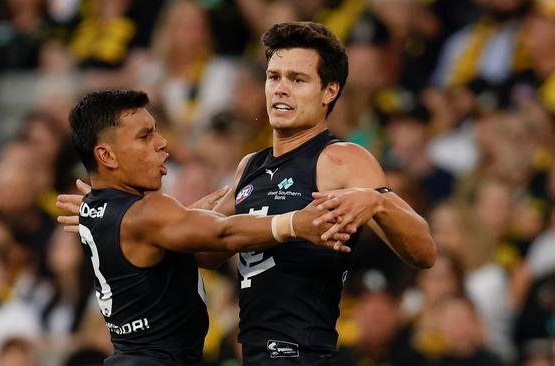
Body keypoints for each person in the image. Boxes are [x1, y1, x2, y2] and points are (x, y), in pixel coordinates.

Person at [59, 22, 436, 365]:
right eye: (274, 76)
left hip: (305, 356)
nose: (281, 88)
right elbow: (207, 247)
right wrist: (114, 218)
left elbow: (424, 252)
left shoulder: (340, 158)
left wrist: (379, 201)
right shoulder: (250, 167)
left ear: (329, 91)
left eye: (298, 79)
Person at [65, 89, 346, 366]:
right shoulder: (145, 212)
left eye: (156, 131)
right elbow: (223, 233)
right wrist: (294, 223)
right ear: (107, 156)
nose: (162, 143)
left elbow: (166, 237)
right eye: (145, 136)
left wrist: (188, 214)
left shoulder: (95, 208)